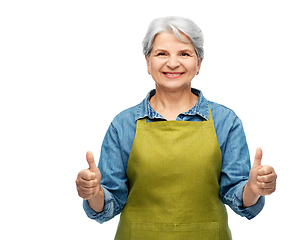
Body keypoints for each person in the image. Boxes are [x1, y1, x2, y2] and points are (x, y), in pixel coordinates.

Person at [76, 16, 277, 240]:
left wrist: (253, 189)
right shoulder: (123, 125)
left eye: (184, 53)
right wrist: (93, 194)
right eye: (162, 54)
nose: (173, 63)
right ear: (147, 61)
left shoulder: (225, 122)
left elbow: (238, 197)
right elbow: (109, 203)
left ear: (199, 63)